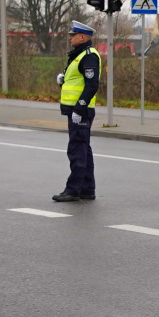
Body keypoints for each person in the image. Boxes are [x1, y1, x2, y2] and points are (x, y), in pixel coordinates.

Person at [52, 21, 101, 202]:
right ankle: (87, 189)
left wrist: (79, 108)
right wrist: (63, 80)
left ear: (82, 37)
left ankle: (73, 190)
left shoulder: (88, 56)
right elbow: (78, 81)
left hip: (80, 110)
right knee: (84, 149)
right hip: (77, 109)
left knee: (77, 149)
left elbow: (92, 84)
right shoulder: (79, 55)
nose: (70, 37)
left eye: (73, 35)